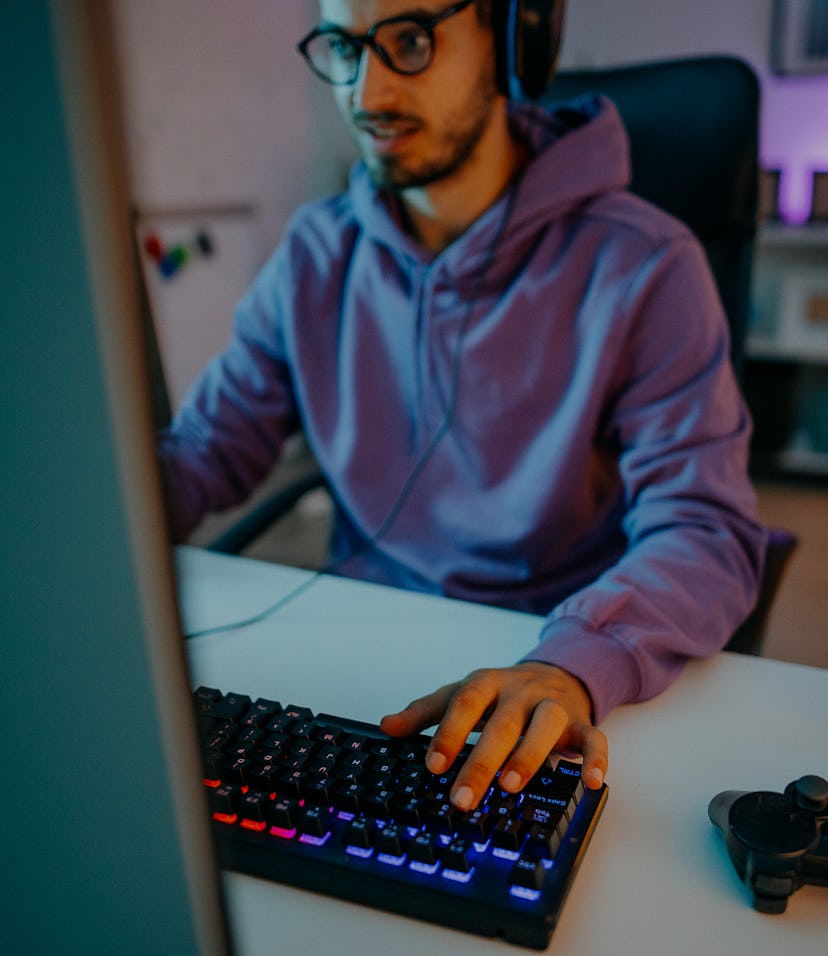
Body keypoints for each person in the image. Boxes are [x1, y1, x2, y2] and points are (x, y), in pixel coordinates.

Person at [158, 0, 767, 812]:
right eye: (343, 45)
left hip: (553, 659)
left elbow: (705, 527)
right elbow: (205, 446)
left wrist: (574, 662)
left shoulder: (646, 266)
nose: (364, 93)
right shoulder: (315, 253)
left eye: (409, 40)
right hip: (359, 648)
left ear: (516, 37)